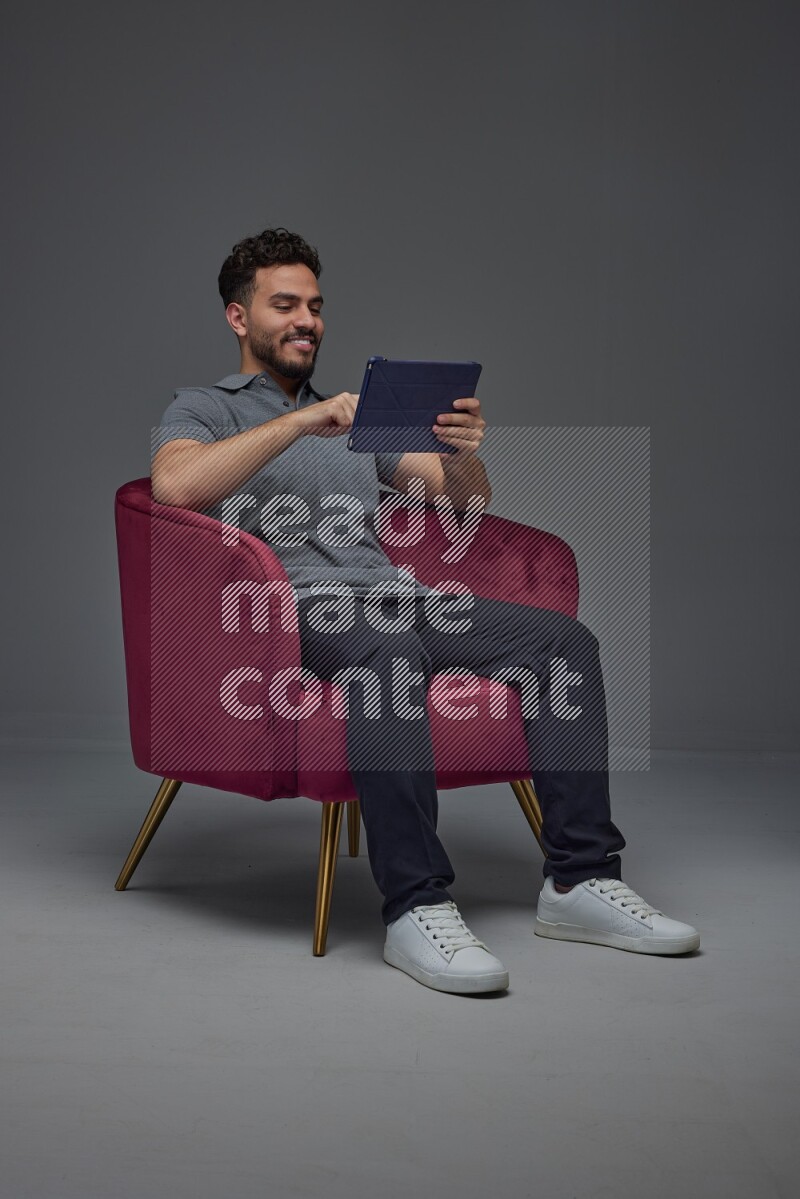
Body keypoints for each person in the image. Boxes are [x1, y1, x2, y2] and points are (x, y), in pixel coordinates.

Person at [151, 226, 700, 994]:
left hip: (399, 601)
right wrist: (297, 422)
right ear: (240, 318)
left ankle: (579, 882)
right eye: (285, 304)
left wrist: (462, 447)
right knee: (386, 653)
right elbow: (175, 488)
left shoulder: (355, 416)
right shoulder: (204, 407)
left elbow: (463, 503)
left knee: (564, 644)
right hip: (291, 612)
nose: (307, 319)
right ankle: (416, 906)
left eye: (315, 305)